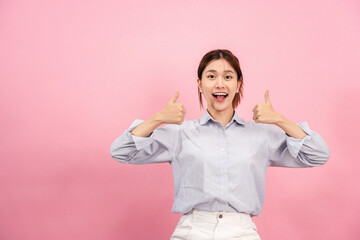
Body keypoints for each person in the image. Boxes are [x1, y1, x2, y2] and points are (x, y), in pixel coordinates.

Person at [109, 49, 330, 240]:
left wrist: (280, 120)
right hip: (192, 230)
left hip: (241, 232)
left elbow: (318, 154)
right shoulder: (181, 133)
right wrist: (158, 118)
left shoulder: (261, 135)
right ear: (200, 84)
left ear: (238, 83)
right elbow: (120, 151)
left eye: (228, 76)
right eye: (211, 76)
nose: (220, 84)